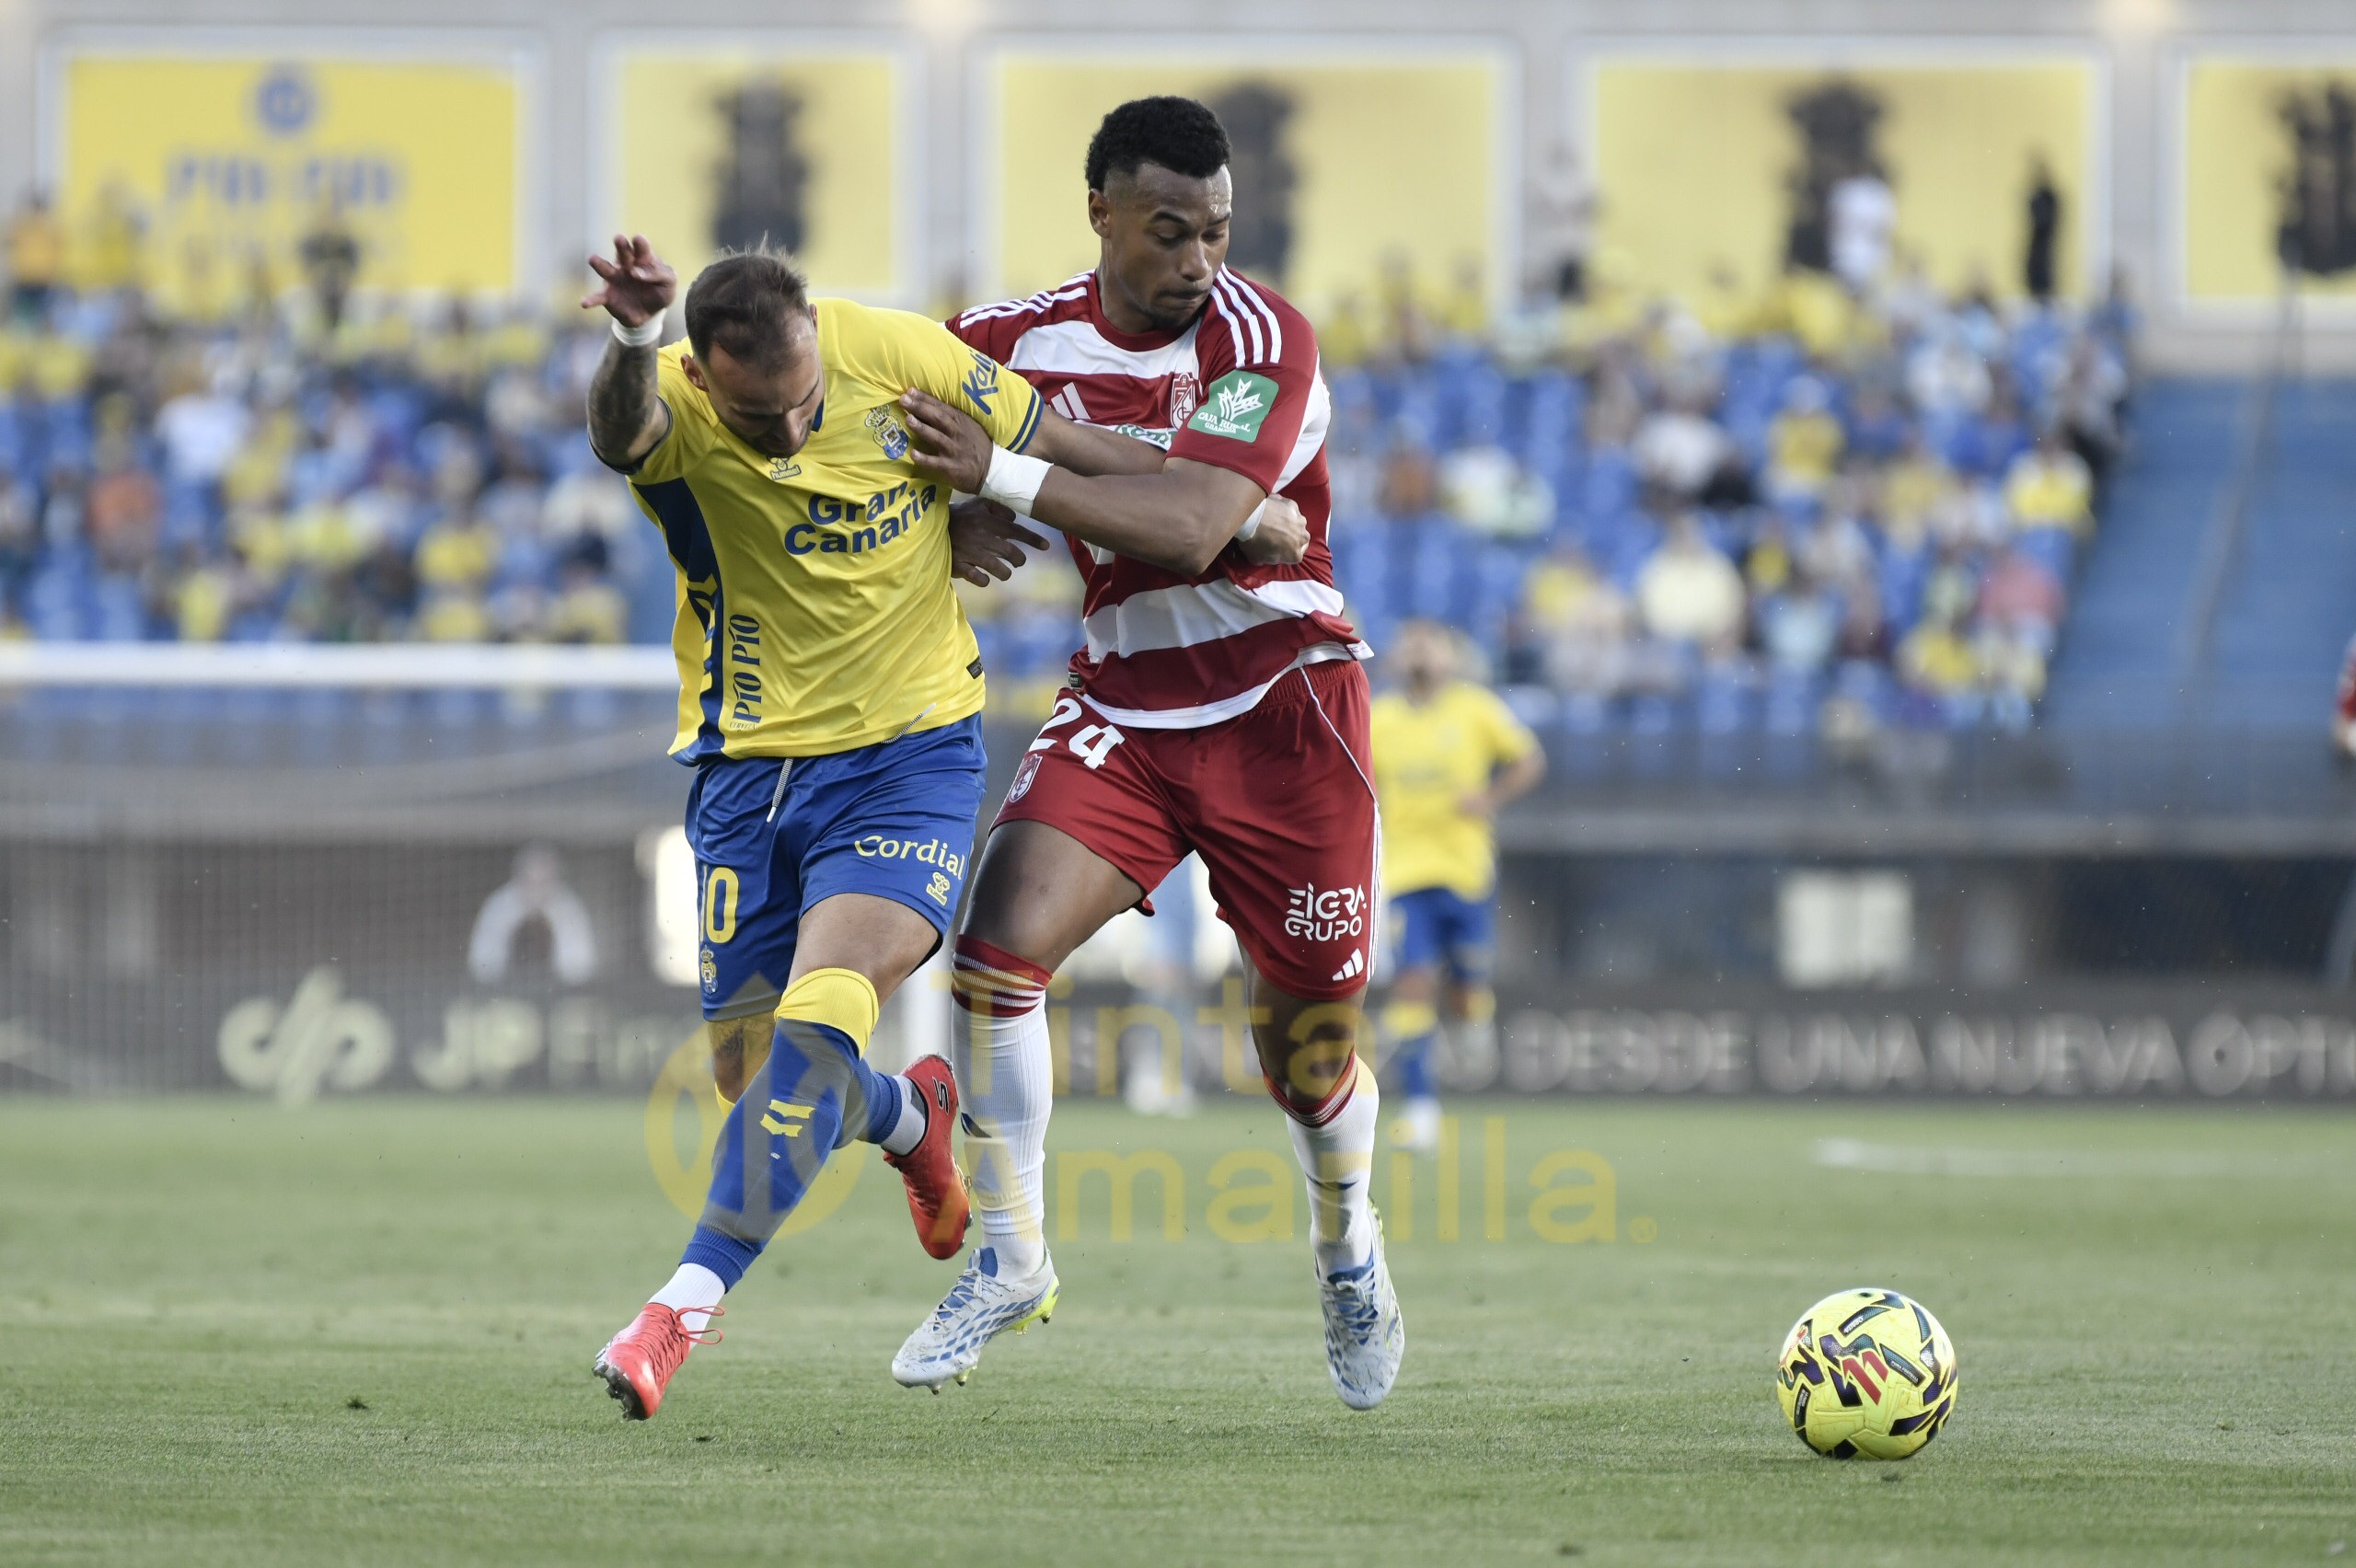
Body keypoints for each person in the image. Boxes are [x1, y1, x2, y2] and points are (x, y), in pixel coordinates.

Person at [885, 97, 1406, 1409]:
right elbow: (883, 437)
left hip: (1285, 708)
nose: (1198, 260)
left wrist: (1004, 471)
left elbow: (1184, 528)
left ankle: (1346, 1243)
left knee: (1305, 1060)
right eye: (1170, 231)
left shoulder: (1263, 336)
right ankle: (1012, 1258)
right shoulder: (1008, 341)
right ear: (1102, 214)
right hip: (1125, 705)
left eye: (1217, 231)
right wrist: (940, 519)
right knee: (994, 952)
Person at [576, 238, 1052, 1421]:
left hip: (910, 757)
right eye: (761, 418)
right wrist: (633, 338)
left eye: (805, 403)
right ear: (704, 377)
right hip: (746, 775)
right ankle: (908, 1116)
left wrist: (971, 501)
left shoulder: (891, 351)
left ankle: (679, 1309)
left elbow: (1051, 439)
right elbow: (618, 435)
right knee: (762, 1080)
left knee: (828, 1005)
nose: (791, 432)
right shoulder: (670, 399)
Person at [1367, 622, 1543, 1152]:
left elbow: (1529, 760)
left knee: (1466, 982)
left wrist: (1488, 799)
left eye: (1430, 644)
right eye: (1410, 644)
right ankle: (1421, 1111)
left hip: (1466, 869)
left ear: (1450, 656)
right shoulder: (1379, 717)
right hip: (1405, 871)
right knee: (1413, 982)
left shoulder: (1476, 708)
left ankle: (1474, 1016)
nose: (1419, 652)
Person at [2024, 156, 2061, 304]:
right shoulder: (2036, 196)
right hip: (2036, 248)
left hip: (2045, 247)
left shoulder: (2050, 198)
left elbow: (2045, 221)